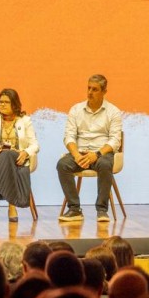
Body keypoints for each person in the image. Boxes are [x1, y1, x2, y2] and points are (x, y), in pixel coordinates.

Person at [57, 74, 123, 222]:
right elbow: (69, 136)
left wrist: (97, 154)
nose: (90, 92)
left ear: (104, 91)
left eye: (95, 89)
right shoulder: (76, 110)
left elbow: (115, 140)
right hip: (79, 153)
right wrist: (76, 155)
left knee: (105, 164)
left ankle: (102, 210)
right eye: (88, 88)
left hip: (101, 153)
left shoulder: (113, 112)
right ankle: (74, 209)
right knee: (62, 165)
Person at [0, 88, 39, 223]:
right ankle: (12, 207)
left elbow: (34, 145)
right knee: (6, 154)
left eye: (6, 102)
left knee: (9, 153)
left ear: (15, 104)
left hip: (18, 160)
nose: (2, 105)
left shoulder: (25, 121)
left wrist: (25, 152)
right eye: (0, 102)